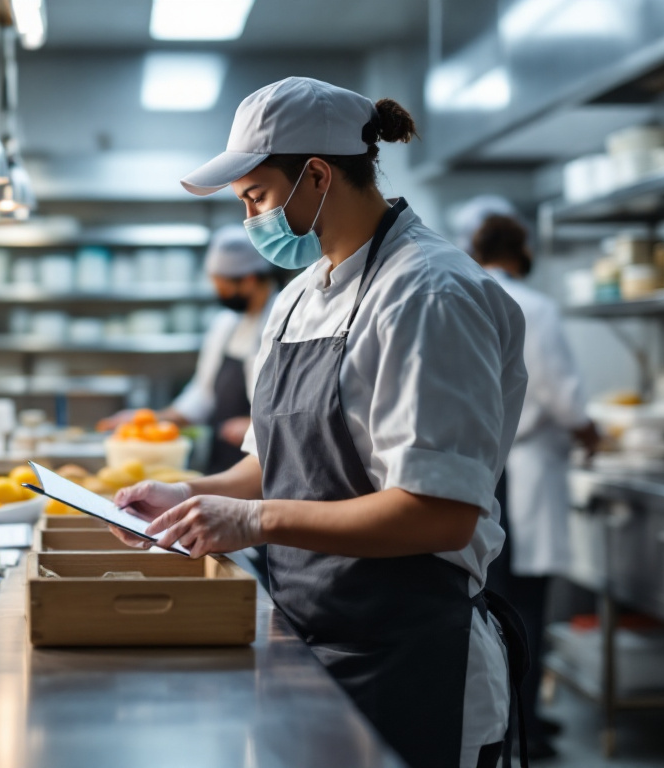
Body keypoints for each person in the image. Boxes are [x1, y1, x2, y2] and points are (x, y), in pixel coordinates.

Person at [109, 77, 531, 768]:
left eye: (256, 197)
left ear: (316, 175)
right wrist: (190, 495)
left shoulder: (429, 295)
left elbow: (440, 515)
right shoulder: (300, 298)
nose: (249, 221)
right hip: (310, 643)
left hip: (413, 661)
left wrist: (253, 522)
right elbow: (275, 461)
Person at [468, 212, 599, 758]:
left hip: (480, 476)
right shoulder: (536, 306)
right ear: (523, 252)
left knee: (491, 602)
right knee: (526, 606)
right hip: (523, 477)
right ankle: (527, 723)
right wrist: (592, 434)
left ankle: (506, 719)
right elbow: (562, 394)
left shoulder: (466, 291)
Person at [101, 225, 278, 474]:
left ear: (249, 280)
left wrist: (259, 426)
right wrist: (152, 420)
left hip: (266, 462)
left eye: (223, 286)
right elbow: (202, 395)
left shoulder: (285, 321)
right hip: (222, 459)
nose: (219, 293)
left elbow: (300, 407)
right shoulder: (226, 324)